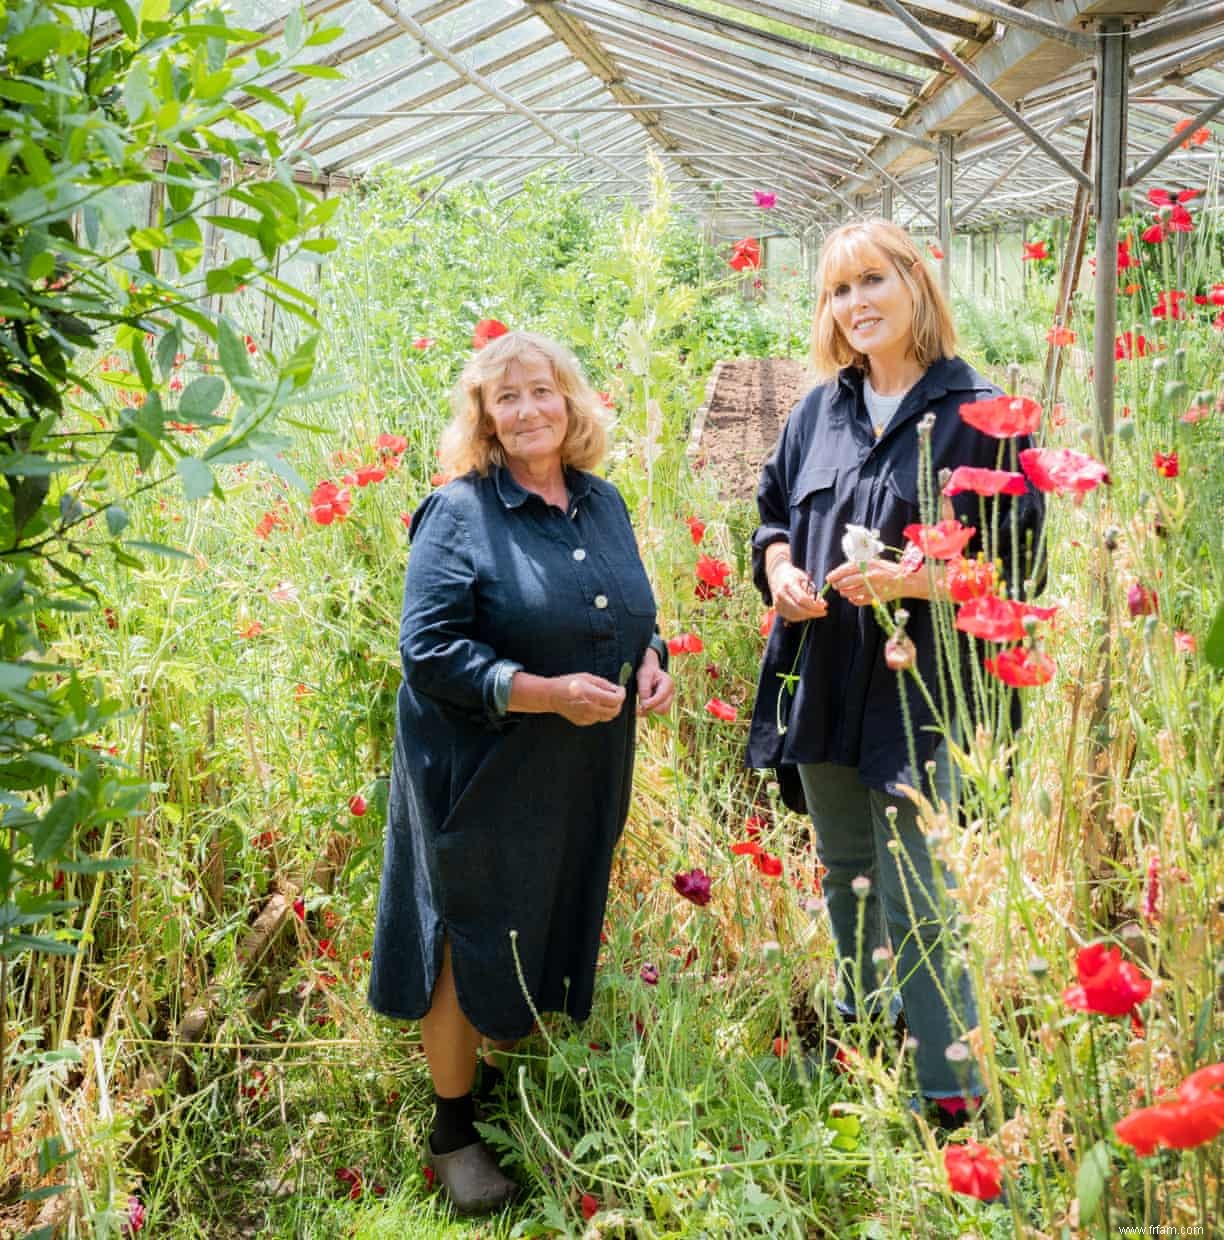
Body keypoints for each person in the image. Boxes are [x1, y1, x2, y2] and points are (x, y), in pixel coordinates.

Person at [368, 330, 674, 1214]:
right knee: (474, 925)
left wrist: (650, 657)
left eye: (542, 391)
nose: (529, 410)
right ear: (486, 418)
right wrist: (540, 693)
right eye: (508, 399)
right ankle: (453, 1127)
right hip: (480, 764)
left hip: (577, 762)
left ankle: (512, 1083)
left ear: (570, 401)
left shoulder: (601, 501)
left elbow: (626, 610)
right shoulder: (459, 511)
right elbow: (426, 652)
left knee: (543, 912)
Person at [746, 220, 1044, 1124]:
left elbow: (1019, 564)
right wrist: (781, 574)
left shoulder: (980, 414)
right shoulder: (817, 412)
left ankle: (950, 1098)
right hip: (828, 675)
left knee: (920, 889)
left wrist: (915, 579)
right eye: (838, 290)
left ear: (917, 285)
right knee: (843, 867)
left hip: (929, 687)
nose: (856, 304)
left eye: (873, 280)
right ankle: (864, 1034)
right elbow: (769, 520)